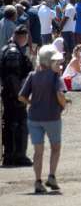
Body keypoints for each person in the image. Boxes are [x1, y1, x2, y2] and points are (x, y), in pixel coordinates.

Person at [18, 45, 67, 194]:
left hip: (34, 118)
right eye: (57, 63)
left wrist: (33, 103)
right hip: (52, 117)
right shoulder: (55, 77)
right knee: (55, 147)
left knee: (38, 151)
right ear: (49, 62)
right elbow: (60, 95)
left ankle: (38, 181)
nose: (59, 65)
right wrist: (63, 104)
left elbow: (21, 96)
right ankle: (51, 176)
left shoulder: (32, 76)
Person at [1, 25, 34, 166]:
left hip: (11, 94)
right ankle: (17, 155)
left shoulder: (8, 49)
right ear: (22, 37)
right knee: (18, 124)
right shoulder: (13, 52)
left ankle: (11, 154)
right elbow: (13, 77)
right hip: (13, 95)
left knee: (11, 124)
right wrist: (20, 96)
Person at [60, 0, 77, 64]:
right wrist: (59, 29)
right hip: (67, 31)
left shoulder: (69, 6)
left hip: (68, 30)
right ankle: (67, 66)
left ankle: (68, 65)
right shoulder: (70, 8)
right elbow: (65, 19)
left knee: (69, 50)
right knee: (68, 50)